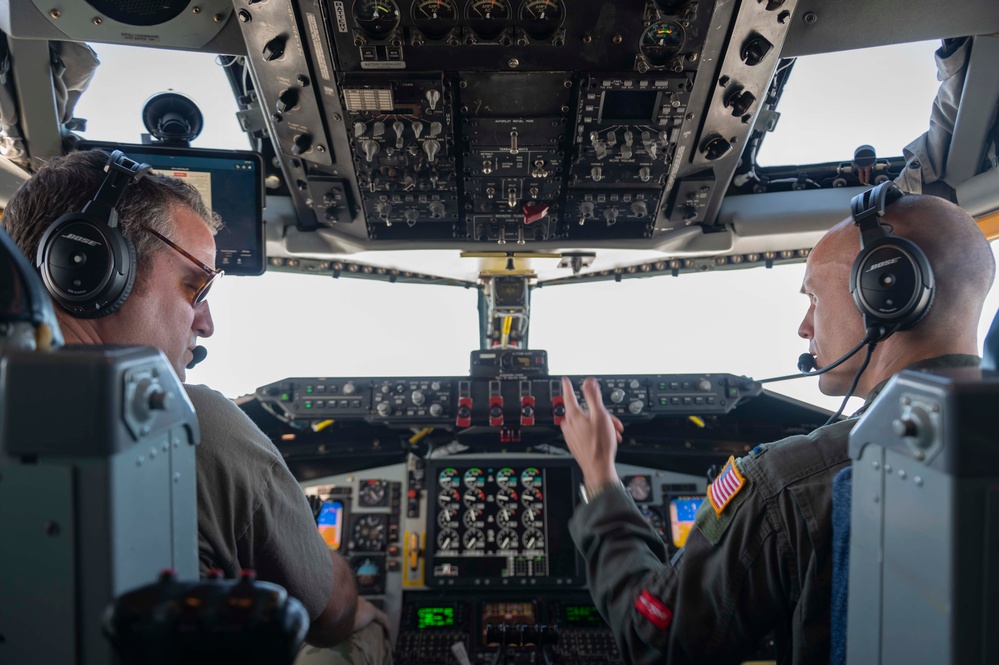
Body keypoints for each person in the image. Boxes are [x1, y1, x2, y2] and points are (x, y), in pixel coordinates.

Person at [558, 193, 995, 664]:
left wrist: (600, 477)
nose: (804, 327)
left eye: (813, 297)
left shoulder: (790, 482)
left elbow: (658, 638)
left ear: (885, 292)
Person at [1, 149, 391, 664]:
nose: (206, 323)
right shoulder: (179, 422)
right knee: (360, 633)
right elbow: (327, 610)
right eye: (196, 285)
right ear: (91, 266)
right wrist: (364, 609)